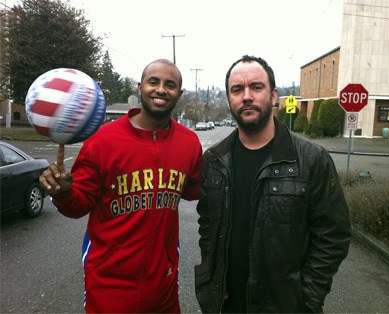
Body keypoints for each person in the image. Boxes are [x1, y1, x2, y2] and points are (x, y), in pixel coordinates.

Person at [39, 59, 202, 313]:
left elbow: (193, 189)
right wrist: (63, 192)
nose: (161, 89)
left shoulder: (189, 143)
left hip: (163, 289)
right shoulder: (102, 140)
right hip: (108, 288)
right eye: (153, 82)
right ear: (140, 87)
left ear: (179, 94)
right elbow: (79, 205)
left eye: (170, 85)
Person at [194, 55, 351, 313]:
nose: (247, 96)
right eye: (237, 89)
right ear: (229, 100)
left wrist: (307, 298)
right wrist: (212, 277)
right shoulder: (214, 160)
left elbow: (333, 235)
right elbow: (208, 223)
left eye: (256, 87)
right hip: (225, 305)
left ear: (274, 95)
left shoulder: (311, 159)